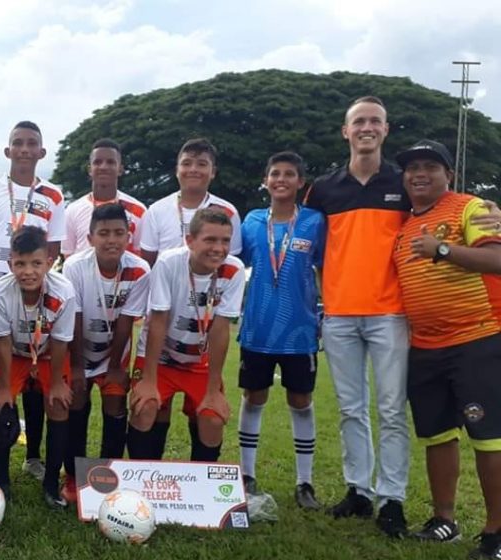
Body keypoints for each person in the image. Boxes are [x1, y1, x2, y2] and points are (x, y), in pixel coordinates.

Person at [303, 95, 411, 535]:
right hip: (341, 313)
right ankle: (359, 491)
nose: (367, 128)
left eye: (375, 121)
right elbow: (306, 246)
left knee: (390, 410)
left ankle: (393, 499)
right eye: (358, 122)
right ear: (345, 132)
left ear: (386, 130)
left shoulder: (404, 184)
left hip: (390, 312)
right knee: (351, 409)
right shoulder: (324, 189)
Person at [391, 140, 501, 560]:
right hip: (425, 346)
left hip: (477, 339)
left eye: (430, 167)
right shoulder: (404, 226)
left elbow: (496, 260)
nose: (419, 174)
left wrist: (442, 249)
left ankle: (495, 532)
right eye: (412, 168)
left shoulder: (470, 208)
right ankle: (444, 520)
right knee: (437, 435)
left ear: (448, 175)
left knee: (488, 437)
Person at [0, 121, 66, 482]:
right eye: (17, 143)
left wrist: (34, 278)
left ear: (41, 152)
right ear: (7, 150)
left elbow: (54, 247)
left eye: (31, 144)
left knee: (34, 370)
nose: (24, 149)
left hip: (33, 290)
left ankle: (34, 456)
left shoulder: (54, 195)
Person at [236, 152, 325, 509]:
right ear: (265, 180)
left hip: (299, 331)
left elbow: (325, 269)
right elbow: (234, 263)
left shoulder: (315, 222)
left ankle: (305, 483)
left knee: (300, 400)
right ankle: (246, 474)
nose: (281, 179)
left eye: (290, 174)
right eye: (275, 173)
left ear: (301, 182)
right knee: (253, 396)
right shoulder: (253, 221)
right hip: (257, 328)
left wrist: (327, 312)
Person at [128, 208, 245, 463]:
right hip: (161, 358)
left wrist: (214, 388)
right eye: (210, 240)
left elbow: (220, 328)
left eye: (225, 240)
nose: (219, 248)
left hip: (198, 362)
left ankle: (200, 491)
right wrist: (148, 379)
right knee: (145, 407)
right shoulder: (169, 262)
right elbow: (158, 320)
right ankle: (143, 479)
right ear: (190, 241)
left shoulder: (234, 270)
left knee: (213, 418)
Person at [63, 204, 150, 502]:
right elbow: (72, 317)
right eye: (103, 233)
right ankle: (73, 476)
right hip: (78, 348)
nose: (111, 240)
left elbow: (127, 320)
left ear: (128, 236)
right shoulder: (75, 266)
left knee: (114, 402)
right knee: (76, 401)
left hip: (114, 352)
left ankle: (109, 475)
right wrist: (76, 367)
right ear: (90, 238)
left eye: (118, 233)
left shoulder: (140, 269)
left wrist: (115, 366)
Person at [0, 226, 77, 508]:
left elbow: (62, 341)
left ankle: (51, 482)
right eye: (20, 264)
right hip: (15, 354)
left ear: (49, 263)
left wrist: (59, 382)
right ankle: (1, 482)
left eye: (36, 264)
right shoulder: (0, 291)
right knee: (1, 407)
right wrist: (2, 387)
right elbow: (1, 342)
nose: (28, 271)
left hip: (51, 355)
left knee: (59, 404)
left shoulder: (63, 291)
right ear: (10, 263)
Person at [139, 138, 241, 266]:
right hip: (166, 285)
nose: (193, 169)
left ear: (213, 172)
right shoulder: (156, 211)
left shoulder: (227, 212)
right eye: (186, 163)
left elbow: (231, 262)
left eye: (202, 164)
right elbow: (149, 262)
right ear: (177, 170)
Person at [61, 139, 146, 257]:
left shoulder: (138, 211)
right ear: (90, 169)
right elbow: (68, 255)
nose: (103, 167)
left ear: (120, 169)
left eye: (111, 162)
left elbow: (140, 254)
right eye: (97, 162)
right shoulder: (72, 210)